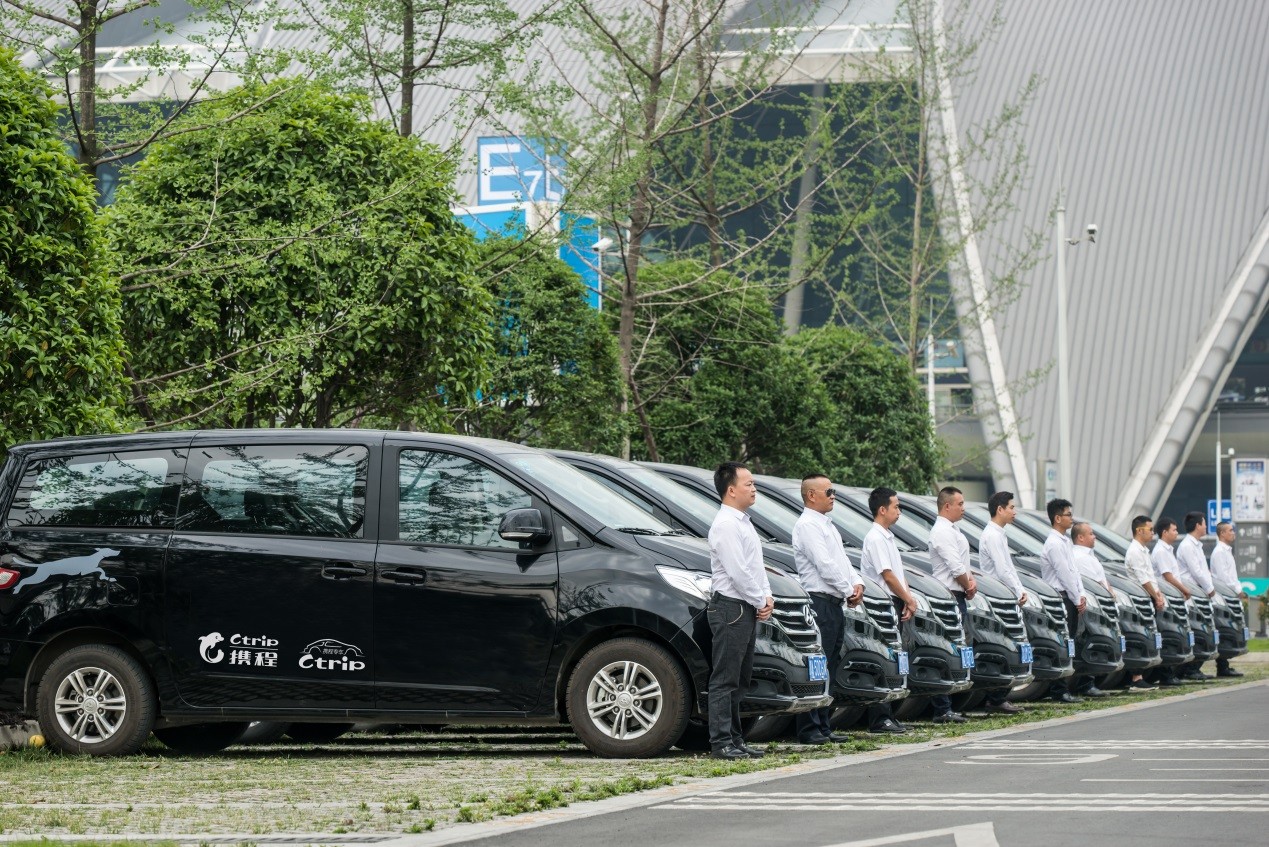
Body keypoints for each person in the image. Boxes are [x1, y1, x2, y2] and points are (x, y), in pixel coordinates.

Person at [706, 461, 773, 760]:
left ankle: (735, 739)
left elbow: (755, 568)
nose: (753, 487)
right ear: (731, 490)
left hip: (745, 606)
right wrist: (760, 599)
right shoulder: (726, 525)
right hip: (731, 607)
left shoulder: (743, 522)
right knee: (725, 679)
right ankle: (721, 743)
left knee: (741, 679)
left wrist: (766, 595)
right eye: (748, 484)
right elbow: (737, 572)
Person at [791, 474, 864, 744]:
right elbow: (824, 564)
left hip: (834, 602)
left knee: (829, 664)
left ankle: (823, 724)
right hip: (819, 601)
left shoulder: (827, 525)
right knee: (816, 664)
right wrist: (848, 590)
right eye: (828, 491)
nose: (833, 495)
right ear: (811, 495)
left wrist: (857, 583)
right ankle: (808, 728)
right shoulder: (808, 525)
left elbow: (842, 561)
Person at [929, 487, 1014, 717]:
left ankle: (951, 704)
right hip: (948, 595)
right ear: (947, 506)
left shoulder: (953, 530)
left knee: (960, 648)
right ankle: (942, 708)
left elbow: (962, 564)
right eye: (960, 503)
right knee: (948, 648)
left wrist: (970, 580)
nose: (964, 508)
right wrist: (968, 584)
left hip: (958, 595)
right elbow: (954, 566)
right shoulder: (942, 531)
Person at [859, 486, 919, 734]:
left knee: (895, 659)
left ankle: (889, 714)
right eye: (896, 506)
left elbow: (899, 575)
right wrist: (908, 599)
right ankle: (879, 718)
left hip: (894, 602)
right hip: (881, 604)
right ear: (882, 509)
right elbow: (887, 576)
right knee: (884, 660)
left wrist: (907, 599)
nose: (899, 511)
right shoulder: (875, 537)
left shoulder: (887, 537)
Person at [975, 490, 1028, 714]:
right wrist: (1018, 590)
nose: (1014, 512)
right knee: (1004, 645)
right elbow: (1002, 570)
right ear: (1000, 509)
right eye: (1011, 507)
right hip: (998, 597)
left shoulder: (998, 534)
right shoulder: (993, 535)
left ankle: (999, 695)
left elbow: (1009, 568)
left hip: (1005, 595)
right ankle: (996, 697)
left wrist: (1019, 589)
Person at [1039, 498, 1089, 703]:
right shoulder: (1053, 544)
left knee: (1070, 642)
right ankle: (1059, 690)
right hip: (1060, 597)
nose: (1072, 518)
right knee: (1063, 642)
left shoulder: (1065, 541)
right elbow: (1063, 574)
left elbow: (1074, 571)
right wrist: (1077, 598)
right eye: (1068, 515)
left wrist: (1081, 593)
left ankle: (1065, 686)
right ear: (1057, 518)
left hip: (1070, 596)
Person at [1069, 523, 1121, 695]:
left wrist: (1110, 591)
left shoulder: (1090, 556)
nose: (1094, 537)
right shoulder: (1079, 557)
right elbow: (1094, 583)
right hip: (1091, 605)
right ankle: (1085, 684)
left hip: (1101, 605)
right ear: (1080, 537)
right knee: (1087, 642)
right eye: (1091, 534)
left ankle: (1089, 682)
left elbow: (1102, 580)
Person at [1174, 511, 1216, 681]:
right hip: (1192, 594)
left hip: (1199, 594)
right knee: (1198, 632)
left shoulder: (1196, 545)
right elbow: (1196, 572)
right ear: (1198, 525)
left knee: (1203, 632)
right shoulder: (1187, 546)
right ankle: (1190, 670)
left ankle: (1192, 668)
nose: (1206, 526)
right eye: (1204, 523)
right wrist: (1210, 588)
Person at [1210, 521, 1245, 678]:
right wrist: (1238, 591)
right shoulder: (1219, 552)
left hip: (1230, 595)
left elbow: (1232, 576)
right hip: (1224, 596)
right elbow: (1224, 578)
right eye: (1230, 530)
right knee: (1224, 630)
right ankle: (1222, 666)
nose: (1233, 533)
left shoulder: (1227, 551)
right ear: (1222, 533)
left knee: (1229, 630)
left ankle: (1224, 665)